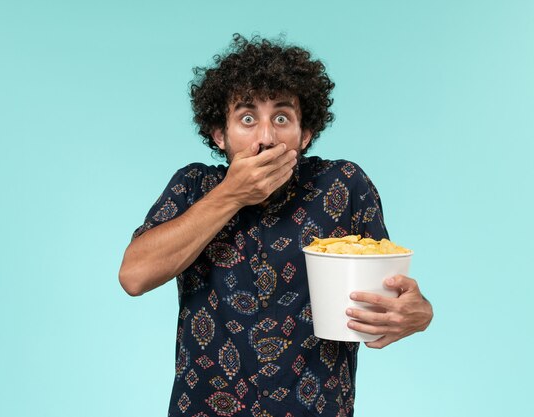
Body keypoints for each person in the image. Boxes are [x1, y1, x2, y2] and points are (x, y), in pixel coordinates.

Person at [119, 34, 433, 417]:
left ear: (305, 134)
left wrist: (419, 313)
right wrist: (231, 195)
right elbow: (134, 275)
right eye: (247, 119)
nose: (266, 138)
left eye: (281, 118)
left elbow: (386, 300)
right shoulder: (193, 187)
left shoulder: (343, 184)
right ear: (220, 134)